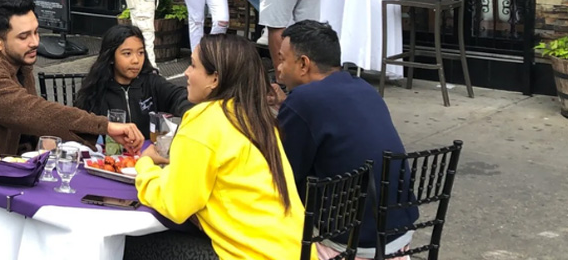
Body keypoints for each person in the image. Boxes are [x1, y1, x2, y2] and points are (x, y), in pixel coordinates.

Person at [0, 0, 144, 196]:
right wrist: (103, 126)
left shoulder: (19, 64)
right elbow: (31, 111)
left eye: (36, 32)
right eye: (24, 36)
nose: (35, 42)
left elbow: (29, 126)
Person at [134, 34, 304, 259]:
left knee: (132, 244)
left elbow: (175, 206)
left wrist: (145, 166)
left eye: (193, 65)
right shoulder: (255, 116)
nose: (186, 73)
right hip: (294, 249)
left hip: (252, 254)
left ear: (215, 78)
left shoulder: (204, 119)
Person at [273, 21, 417, 259]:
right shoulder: (362, 87)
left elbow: (283, 174)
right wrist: (285, 107)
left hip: (348, 242)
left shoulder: (303, 101)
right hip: (398, 233)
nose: (278, 68)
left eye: (282, 59)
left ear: (303, 64)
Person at [74, 25, 191, 140]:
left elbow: (178, 96)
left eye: (140, 53)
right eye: (127, 53)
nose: (136, 60)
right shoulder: (96, 89)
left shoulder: (152, 83)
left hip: (147, 154)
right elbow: (79, 126)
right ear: (110, 57)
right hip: (109, 156)